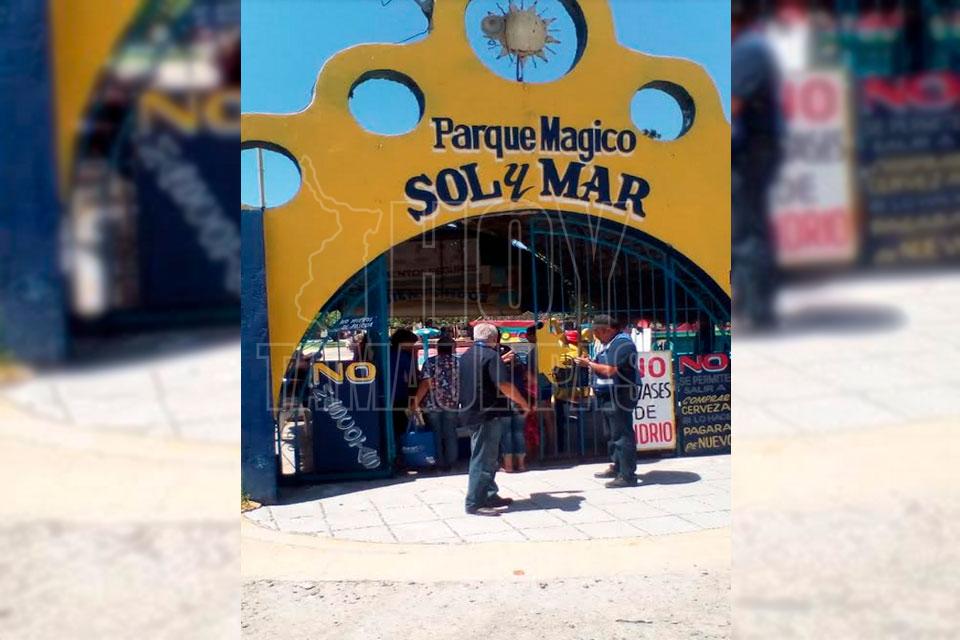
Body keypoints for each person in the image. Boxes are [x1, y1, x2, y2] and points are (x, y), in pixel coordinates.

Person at [732, 2, 783, 331]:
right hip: (749, 151)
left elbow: (733, 105)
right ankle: (751, 306)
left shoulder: (749, 49)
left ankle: (757, 311)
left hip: (751, 153)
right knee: (744, 232)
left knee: (747, 233)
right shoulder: (747, 47)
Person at [458, 322, 531, 516]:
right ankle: (475, 502)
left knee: (488, 457)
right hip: (487, 413)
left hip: (472, 411)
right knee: (483, 459)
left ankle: (489, 494)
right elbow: (503, 384)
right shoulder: (491, 356)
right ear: (494, 338)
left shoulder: (467, 355)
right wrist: (523, 403)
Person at [574, 315, 640, 488]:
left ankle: (627, 475)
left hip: (620, 394)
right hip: (608, 394)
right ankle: (617, 466)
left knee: (621, 434)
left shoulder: (622, 344)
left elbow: (610, 370)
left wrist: (589, 364)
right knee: (611, 434)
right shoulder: (608, 344)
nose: (595, 335)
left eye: (597, 332)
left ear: (608, 330)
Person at [411, 335, 460, 471]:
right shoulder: (458, 363)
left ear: (438, 348)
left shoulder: (430, 362)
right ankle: (452, 463)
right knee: (450, 433)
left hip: (432, 404)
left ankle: (439, 463)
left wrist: (415, 403)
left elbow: (425, 384)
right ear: (453, 348)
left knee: (436, 434)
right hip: (452, 403)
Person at [389, 328, 420, 469]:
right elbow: (413, 377)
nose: (413, 346)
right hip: (400, 397)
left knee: (392, 429)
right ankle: (402, 457)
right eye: (411, 344)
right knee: (402, 429)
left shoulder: (385, 353)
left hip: (385, 396)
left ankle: (393, 456)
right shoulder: (405, 357)